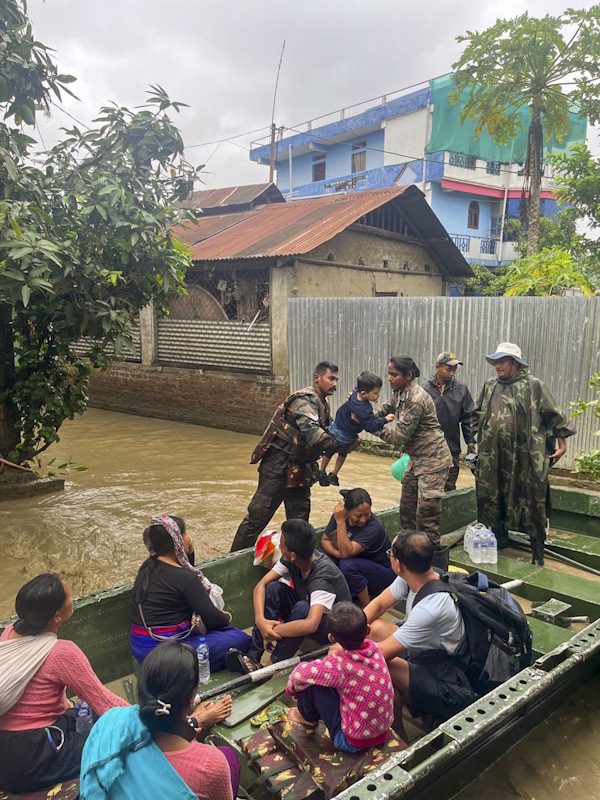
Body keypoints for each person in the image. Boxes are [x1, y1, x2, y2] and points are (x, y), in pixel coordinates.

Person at [0, 574, 129, 794]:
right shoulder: (62, 653)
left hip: (5, 751)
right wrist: (146, 718)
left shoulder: (9, 632)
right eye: (69, 595)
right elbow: (106, 704)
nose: (73, 596)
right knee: (117, 735)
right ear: (57, 616)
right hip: (31, 759)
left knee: (88, 715)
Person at [80, 641, 239, 800]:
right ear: (193, 695)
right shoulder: (210, 764)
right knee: (229, 756)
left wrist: (196, 721)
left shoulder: (111, 722)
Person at [471, 342, 576, 566]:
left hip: (524, 457)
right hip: (493, 457)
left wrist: (562, 442)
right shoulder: (490, 385)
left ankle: (537, 553)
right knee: (492, 494)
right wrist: (476, 444)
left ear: (515, 364)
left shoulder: (534, 386)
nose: (498, 365)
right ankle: (500, 541)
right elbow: (477, 414)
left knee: (531, 498)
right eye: (496, 361)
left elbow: (554, 416)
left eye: (503, 361)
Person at [365, 532, 477, 737]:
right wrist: (350, 630)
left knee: (379, 663)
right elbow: (379, 604)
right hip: (429, 656)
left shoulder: (429, 610)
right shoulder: (416, 577)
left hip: (451, 684)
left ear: (399, 564)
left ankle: (398, 733)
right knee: (375, 629)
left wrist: (342, 648)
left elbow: (378, 654)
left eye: (391, 554)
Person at [230, 361, 339, 552]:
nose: (335, 383)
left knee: (299, 520)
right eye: (331, 378)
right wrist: (340, 443)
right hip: (278, 466)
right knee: (257, 517)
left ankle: (298, 562)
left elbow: (327, 430)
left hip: (300, 469)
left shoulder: (323, 403)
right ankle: (232, 562)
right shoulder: (303, 401)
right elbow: (315, 434)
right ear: (317, 378)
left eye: (336, 379)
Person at [130, 514, 251, 669]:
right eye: (185, 534)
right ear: (177, 541)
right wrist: (224, 617)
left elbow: (183, 570)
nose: (188, 538)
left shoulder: (147, 567)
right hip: (165, 656)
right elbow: (216, 621)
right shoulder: (185, 578)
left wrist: (190, 551)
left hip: (141, 648)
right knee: (240, 638)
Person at [229, 519, 351, 670]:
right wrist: (261, 621)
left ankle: (268, 669)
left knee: (302, 609)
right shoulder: (293, 560)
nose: (279, 548)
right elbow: (261, 586)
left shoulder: (322, 576)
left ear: (293, 555)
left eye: (281, 546)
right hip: (310, 611)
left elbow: (310, 625)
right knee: (274, 588)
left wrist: (272, 631)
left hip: (335, 628)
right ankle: (253, 656)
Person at [285, 602, 395, 752]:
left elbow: (299, 675)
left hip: (351, 742)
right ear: (368, 630)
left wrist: (293, 690)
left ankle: (306, 718)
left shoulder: (338, 665)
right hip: (381, 731)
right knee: (326, 679)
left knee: (314, 684)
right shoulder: (374, 648)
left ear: (331, 639)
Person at [374, 356, 452, 549]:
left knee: (426, 518)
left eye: (394, 375)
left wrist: (372, 427)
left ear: (408, 376)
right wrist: (357, 416)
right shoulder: (399, 393)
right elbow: (381, 412)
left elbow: (398, 438)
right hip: (415, 460)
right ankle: (409, 556)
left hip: (433, 461)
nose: (390, 379)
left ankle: (431, 564)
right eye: (389, 374)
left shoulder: (415, 399)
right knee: (407, 511)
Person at [320, 488, 395, 607]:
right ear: (347, 511)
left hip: (382, 571)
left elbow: (346, 553)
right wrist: (336, 554)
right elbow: (325, 540)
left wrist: (340, 523)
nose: (363, 519)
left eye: (367, 514)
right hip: (357, 563)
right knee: (319, 556)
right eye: (358, 516)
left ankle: (367, 607)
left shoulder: (373, 526)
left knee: (348, 565)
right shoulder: (340, 515)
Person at [318, 371, 394, 486]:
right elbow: (369, 426)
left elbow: (358, 384)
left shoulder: (355, 393)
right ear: (364, 393)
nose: (378, 395)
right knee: (341, 453)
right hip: (346, 435)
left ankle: (322, 471)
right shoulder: (364, 409)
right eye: (376, 393)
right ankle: (333, 473)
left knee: (329, 451)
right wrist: (385, 419)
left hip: (337, 426)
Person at [422, 352, 476, 492]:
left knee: (449, 489)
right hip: (427, 452)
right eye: (449, 369)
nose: (452, 373)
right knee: (426, 492)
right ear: (437, 367)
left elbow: (467, 419)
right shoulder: (424, 390)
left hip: (451, 451)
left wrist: (471, 444)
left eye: (455, 370)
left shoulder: (461, 390)